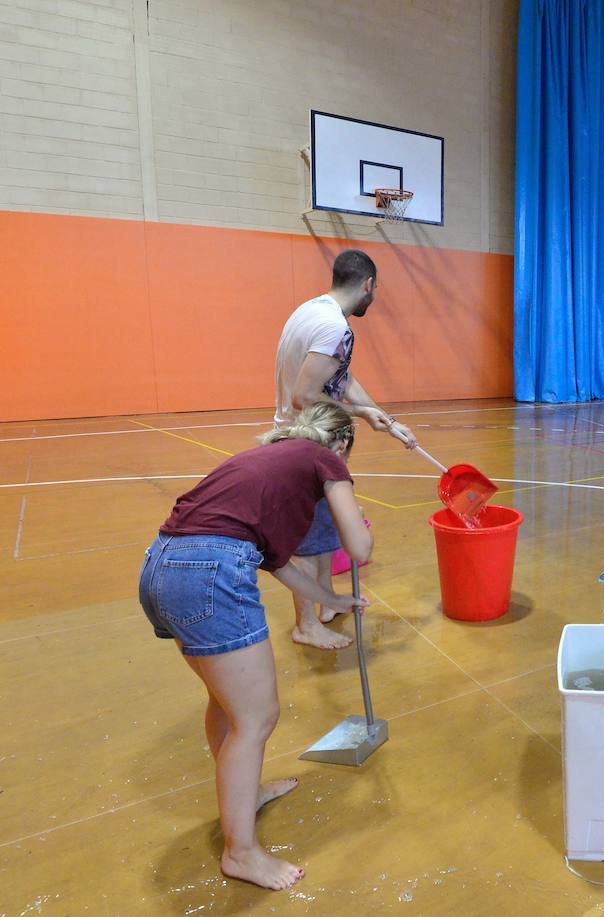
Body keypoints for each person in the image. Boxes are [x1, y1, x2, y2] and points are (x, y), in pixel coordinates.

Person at [137, 403, 373, 890]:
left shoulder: (266, 467)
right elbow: (360, 548)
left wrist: (334, 599)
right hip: (209, 571)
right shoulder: (324, 458)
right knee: (257, 717)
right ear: (343, 442)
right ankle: (240, 853)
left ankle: (248, 795)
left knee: (226, 704)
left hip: (162, 566)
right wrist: (348, 499)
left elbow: (279, 563)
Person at [274, 249, 416, 650]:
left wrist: (383, 419)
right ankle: (306, 625)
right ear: (368, 285)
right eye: (375, 290)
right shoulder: (336, 328)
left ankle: (323, 608)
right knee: (305, 543)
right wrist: (361, 414)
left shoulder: (311, 312)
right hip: (305, 444)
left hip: (308, 442)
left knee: (319, 537)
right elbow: (305, 395)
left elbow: (341, 377)